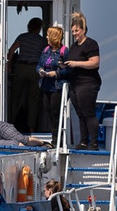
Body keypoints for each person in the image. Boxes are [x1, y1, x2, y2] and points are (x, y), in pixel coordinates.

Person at [63, 12, 102, 149]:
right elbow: (72, 62)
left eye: (77, 31)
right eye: (73, 31)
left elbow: (94, 63)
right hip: (75, 83)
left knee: (88, 113)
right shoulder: (74, 46)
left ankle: (94, 143)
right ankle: (84, 141)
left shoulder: (91, 44)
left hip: (88, 82)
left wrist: (76, 63)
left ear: (83, 30)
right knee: (80, 113)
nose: (74, 33)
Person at [6, 17, 47, 133]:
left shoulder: (22, 37)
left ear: (29, 26)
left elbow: (11, 51)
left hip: (21, 68)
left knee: (15, 98)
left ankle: (12, 125)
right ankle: (31, 127)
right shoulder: (42, 41)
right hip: (35, 69)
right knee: (33, 100)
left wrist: (9, 66)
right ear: (39, 28)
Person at [37, 24, 69, 137]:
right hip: (46, 85)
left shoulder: (64, 52)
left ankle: (57, 139)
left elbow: (69, 70)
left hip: (57, 87)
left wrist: (56, 73)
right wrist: (40, 70)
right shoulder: (46, 50)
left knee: (56, 113)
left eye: (48, 35)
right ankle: (54, 136)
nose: (46, 37)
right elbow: (39, 64)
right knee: (49, 111)